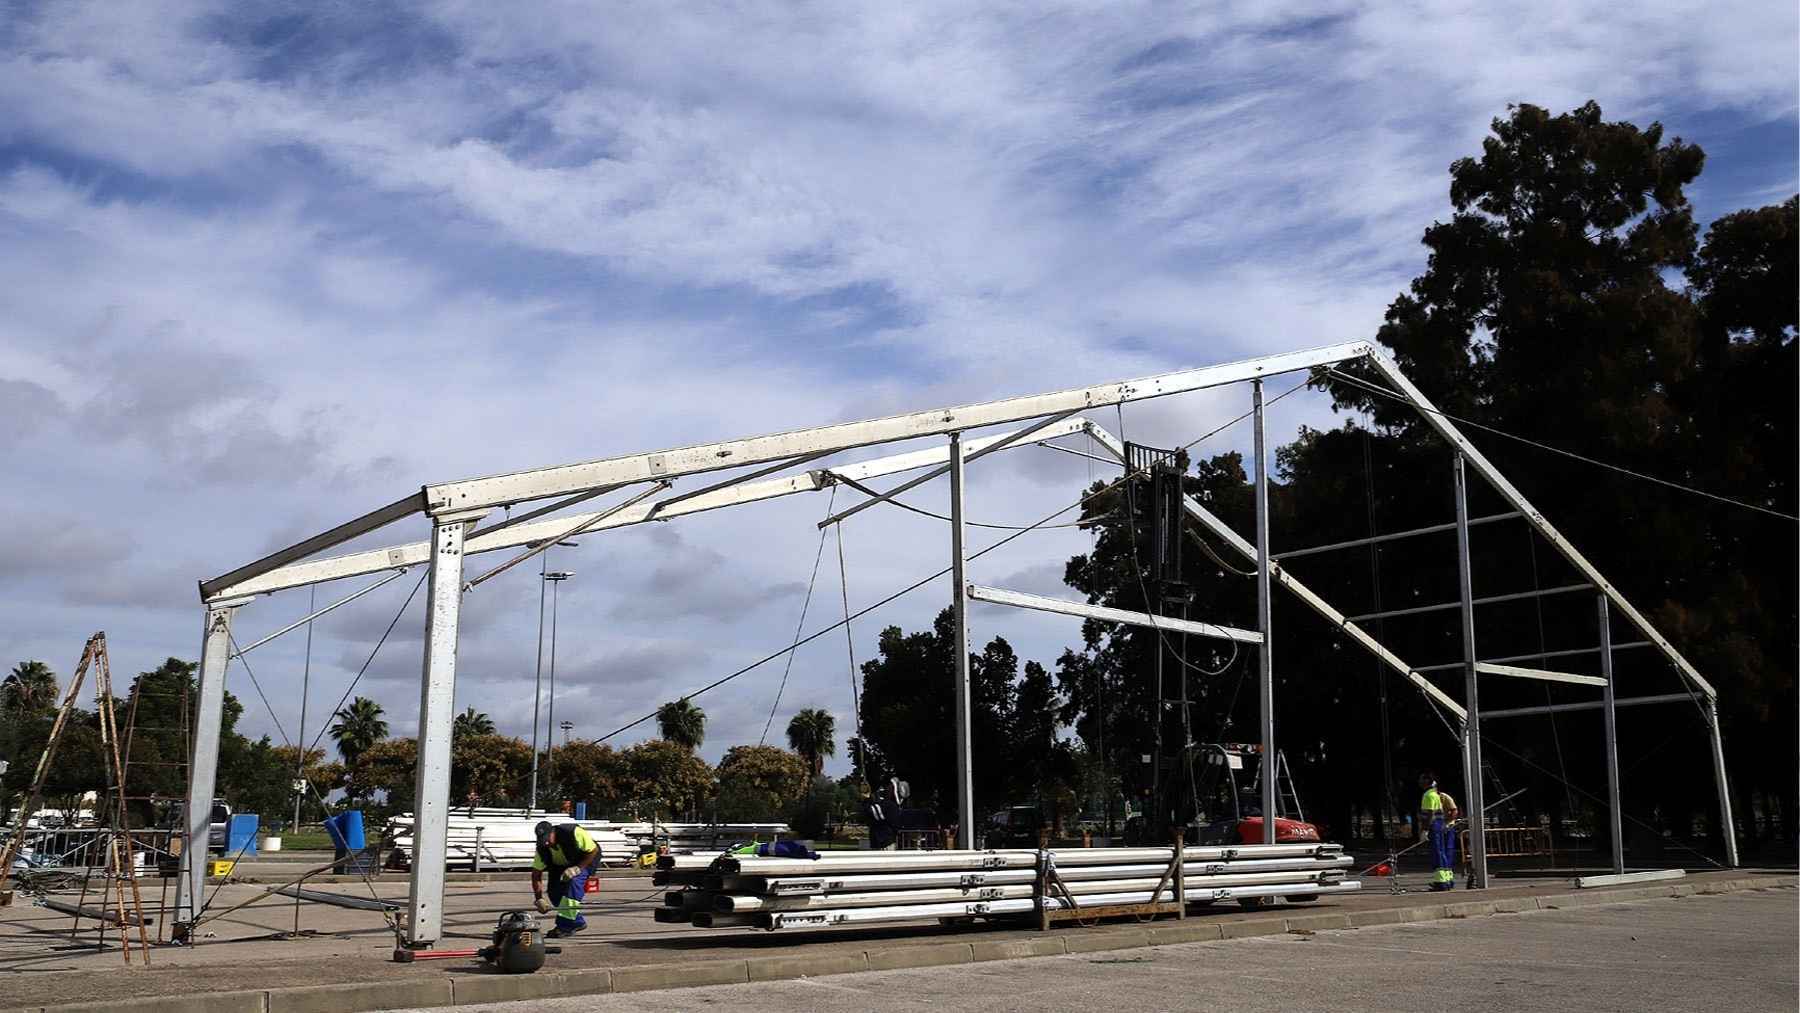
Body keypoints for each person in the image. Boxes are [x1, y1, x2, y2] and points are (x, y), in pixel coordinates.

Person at [531, 820, 600, 937]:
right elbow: (536, 874)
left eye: (548, 839)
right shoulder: (542, 848)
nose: (547, 843)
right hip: (561, 865)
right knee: (554, 892)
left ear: (553, 832)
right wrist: (539, 899)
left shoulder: (573, 833)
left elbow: (593, 850)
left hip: (585, 860)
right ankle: (577, 922)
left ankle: (564, 926)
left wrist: (577, 868)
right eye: (543, 841)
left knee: (573, 884)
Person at [1417, 772, 1458, 891]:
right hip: (1439, 825)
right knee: (1442, 852)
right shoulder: (1434, 794)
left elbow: (1429, 814)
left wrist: (1424, 830)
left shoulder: (1428, 795)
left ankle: (1441, 882)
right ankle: (1446, 881)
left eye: (1421, 779)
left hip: (1434, 826)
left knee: (1437, 853)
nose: (1419, 781)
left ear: (1427, 781)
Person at [861, 784, 898, 850]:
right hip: (880, 838)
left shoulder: (888, 805)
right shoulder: (891, 804)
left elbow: (876, 815)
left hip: (884, 839)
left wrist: (866, 800)